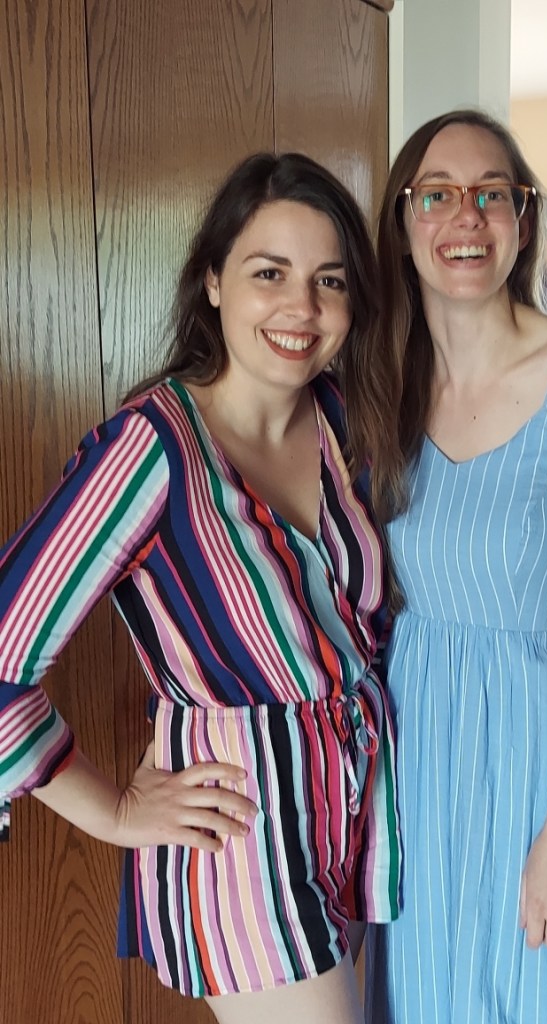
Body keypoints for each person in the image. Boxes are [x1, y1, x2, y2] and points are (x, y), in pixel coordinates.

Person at [0, 152, 401, 1024]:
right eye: (270, 274)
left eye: (329, 280)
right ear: (214, 281)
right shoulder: (149, 451)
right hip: (242, 838)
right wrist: (111, 810)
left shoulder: (342, 422)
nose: (302, 308)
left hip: (354, 822)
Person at [352, 107, 547, 1023]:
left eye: (492, 194)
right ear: (403, 225)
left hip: (544, 764)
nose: (466, 217)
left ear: (522, 220)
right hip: (420, 776)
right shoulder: (378, 386)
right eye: (436, 195)